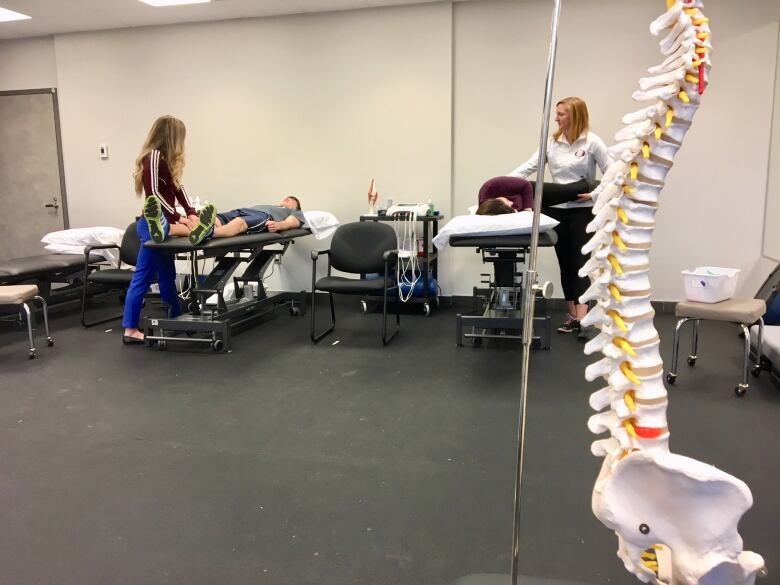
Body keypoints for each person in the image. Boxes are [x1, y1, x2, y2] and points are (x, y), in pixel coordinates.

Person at [505, 97, 611, 335]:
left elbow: (613, 174)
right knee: (565, 264)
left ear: (575, 116)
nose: (556, 118)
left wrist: (594, 194)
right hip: (555, 210)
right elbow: (529, 167)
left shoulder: (593, 143)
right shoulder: (551, 143)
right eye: (557, 114)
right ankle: (572, 315)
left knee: (579, 264)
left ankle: (583, 318)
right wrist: (503, 183)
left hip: (581, 210)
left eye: (561, 114)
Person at [122, 115, 199, 345]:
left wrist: (191, 212)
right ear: (170, 136)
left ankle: (176, 317)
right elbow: (154, 194)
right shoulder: (153, 157)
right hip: (152, 223)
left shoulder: (167, 160)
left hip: (165, 223)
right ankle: (130, 329)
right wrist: (179, 217)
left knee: (168, 276)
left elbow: (178, 188)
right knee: (143, 277)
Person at [188, 196, 306, 245]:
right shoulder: (275, 205)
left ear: (296, 206)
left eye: (290, 199)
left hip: (263, 216)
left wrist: (280, 225)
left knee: (239, 222)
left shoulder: (294, 212)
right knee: (218, 218)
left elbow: (293, 221)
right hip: (244, 210)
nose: (287, 198)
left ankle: (209, 233)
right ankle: (198, 229)